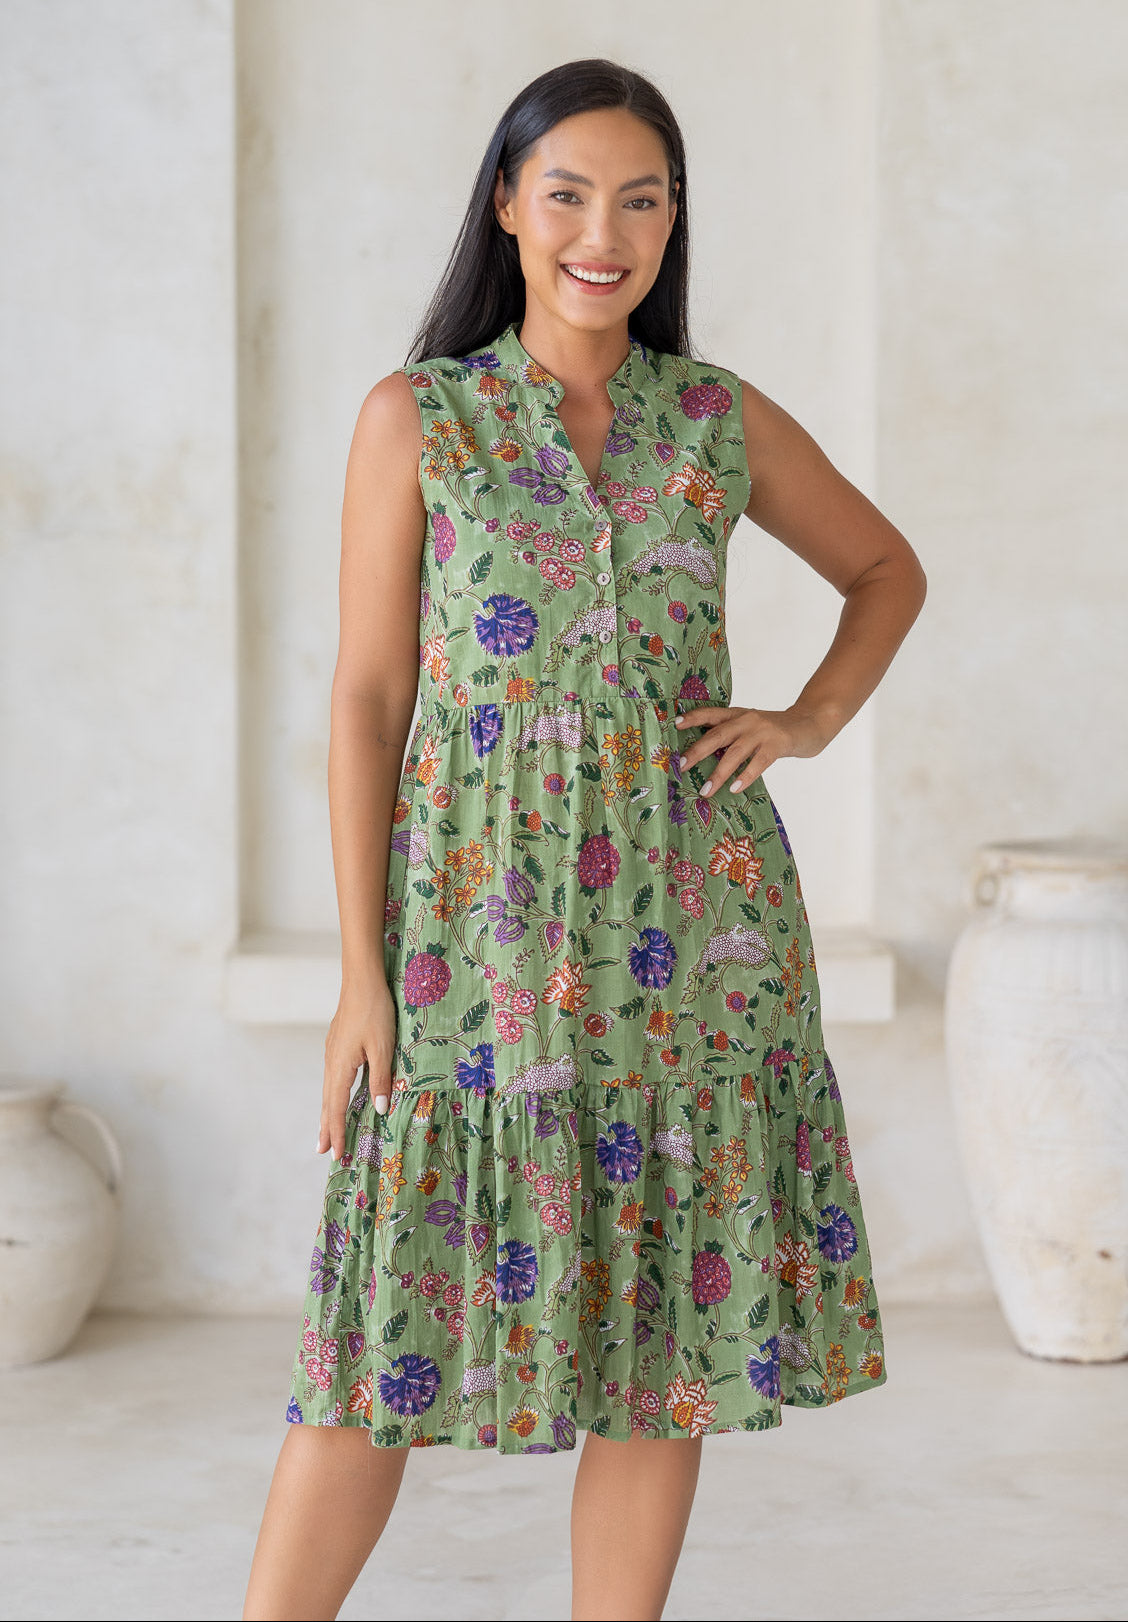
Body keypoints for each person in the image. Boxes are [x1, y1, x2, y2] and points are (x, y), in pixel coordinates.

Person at [243, 55, 926, 1622]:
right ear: (506, 205)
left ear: (674, 221)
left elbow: (886, 567)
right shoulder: (422, 418)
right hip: (474, 940)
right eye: (566, 194)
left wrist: (804, 720)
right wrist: (362, 973)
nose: (601, 231)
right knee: (377, 1331)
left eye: (640, 198)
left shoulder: (715, 420)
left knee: (663, 1350)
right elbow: (364, 701)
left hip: (696, 939)